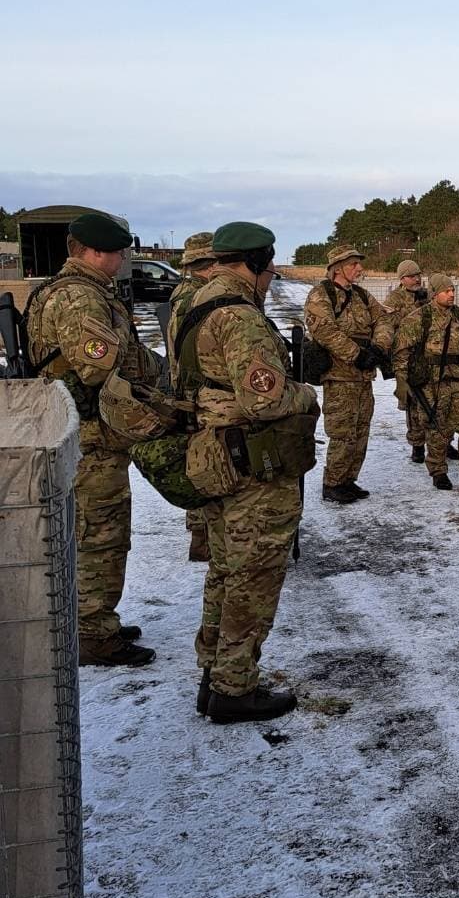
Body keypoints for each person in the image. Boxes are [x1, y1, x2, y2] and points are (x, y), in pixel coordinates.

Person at [183, 222, 318, 723]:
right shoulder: (239, 316)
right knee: (254, 575)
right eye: (269, 264)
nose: (272, 274)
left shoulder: (196, 303)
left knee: (224, 569)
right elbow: (266, 399)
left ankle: (215, 673)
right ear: (256, 262)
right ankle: (234, 688)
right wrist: (304, 392)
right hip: (251, 466)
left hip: (216, 458)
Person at [25, 211, 160, 666]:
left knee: (92, 530)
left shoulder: (70, 290)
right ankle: (93, 633)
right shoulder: (80, 298)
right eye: (119, 252)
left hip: (86, 432)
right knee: (100, 535)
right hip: (91, 437)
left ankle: (94, 619)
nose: (123, 260)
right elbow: (100, 367)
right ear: (95, 252)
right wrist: (152, 377)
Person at [303, 244, 389, 504]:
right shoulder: (321, 295)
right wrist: (356, 354)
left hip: (363, 377)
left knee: (361, 430)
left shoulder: (362, 295)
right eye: (354, 264)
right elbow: (325, 331)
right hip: (339, 377)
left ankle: (348, 480)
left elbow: (383, 320)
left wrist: (378, 347)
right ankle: (333, 483)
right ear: (338, 268)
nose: (359, 268)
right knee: (342, 432)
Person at [391, 274, 459, 490]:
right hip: (430, 381)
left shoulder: (458, 316)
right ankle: (438, 472)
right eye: (447, 291)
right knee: (436, 428)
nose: (451, 294)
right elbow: (402, 350)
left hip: (457, 378)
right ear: (435, 294)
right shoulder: (419, 318)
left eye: (453, 290)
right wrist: (401, 381)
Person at [166, 231, 217, 561]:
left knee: (198, 458)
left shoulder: (183, 292)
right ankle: (203, 538)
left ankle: (200, 533)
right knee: (207, 463)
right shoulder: (197, 298)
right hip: (197, 392)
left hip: (186, 390)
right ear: (209, 264)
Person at [382, 258, 457, 464]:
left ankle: (444, 442)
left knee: (442, 400)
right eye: (411, 276)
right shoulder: (394, 299)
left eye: (418, 275)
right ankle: (417, 445)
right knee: (414, 404)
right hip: (410, 358)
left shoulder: (427, 294)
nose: (416, 279)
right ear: (402, 279)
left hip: (433, 356)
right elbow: (388, 324)